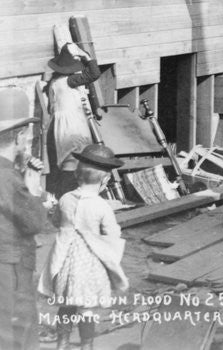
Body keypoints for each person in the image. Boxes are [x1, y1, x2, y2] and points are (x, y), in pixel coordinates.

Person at [39, 143, 129, 350]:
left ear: (77, 176)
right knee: (86, 308)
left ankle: (62, 343)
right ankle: (87, 345)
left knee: (66, 303)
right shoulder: (102, 206)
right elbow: (113, 233)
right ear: (105, 180)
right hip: (89, 265)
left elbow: (56, 223)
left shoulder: (65, 199)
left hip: (65, 261)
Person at [0, 87, 48, 350]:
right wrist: (33, 190)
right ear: (19, 136)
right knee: (17, 333)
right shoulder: (9, 178)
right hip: (11, 268)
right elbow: (34, 223)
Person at [41, 43, 102, 198]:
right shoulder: (69, 81)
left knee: (67, 160)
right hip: (73, 125)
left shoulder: (54, 83)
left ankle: (62, 196)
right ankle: (70, 196)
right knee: (75, 160)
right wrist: (88, 58)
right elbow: (94, 74)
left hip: (59, 125)